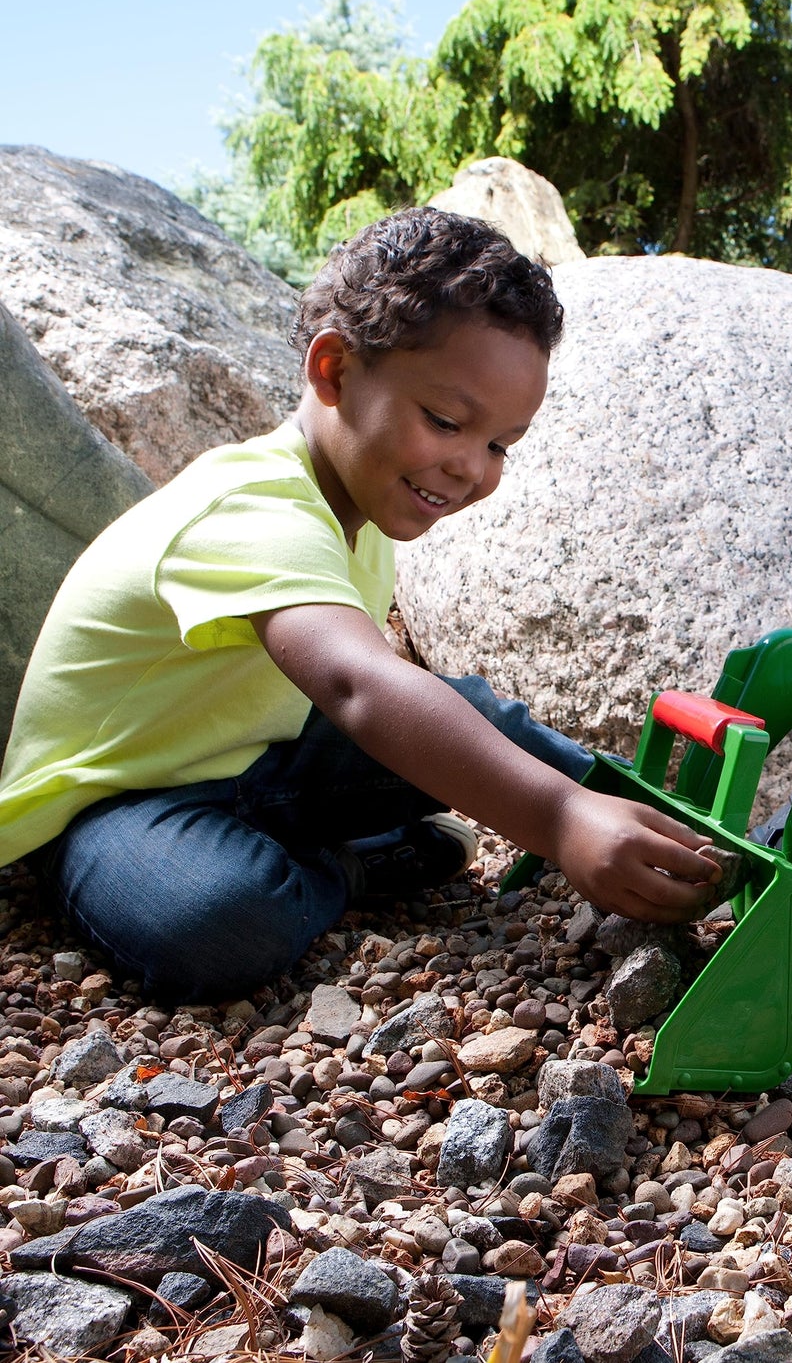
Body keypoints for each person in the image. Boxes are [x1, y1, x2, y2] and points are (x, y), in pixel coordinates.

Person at [0, 208, 719, 1001]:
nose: (472, 469)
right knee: (216, 916)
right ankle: (356, 861)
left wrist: (576, 797)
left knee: (472, 719)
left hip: (251, 755)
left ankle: (676, 836)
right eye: (446, 422)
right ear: (335, 371)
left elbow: (377, 705)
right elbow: (359, 686)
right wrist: (554, 819)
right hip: (112, 803)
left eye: (499, 444)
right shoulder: (249, 505)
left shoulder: (360, 505)